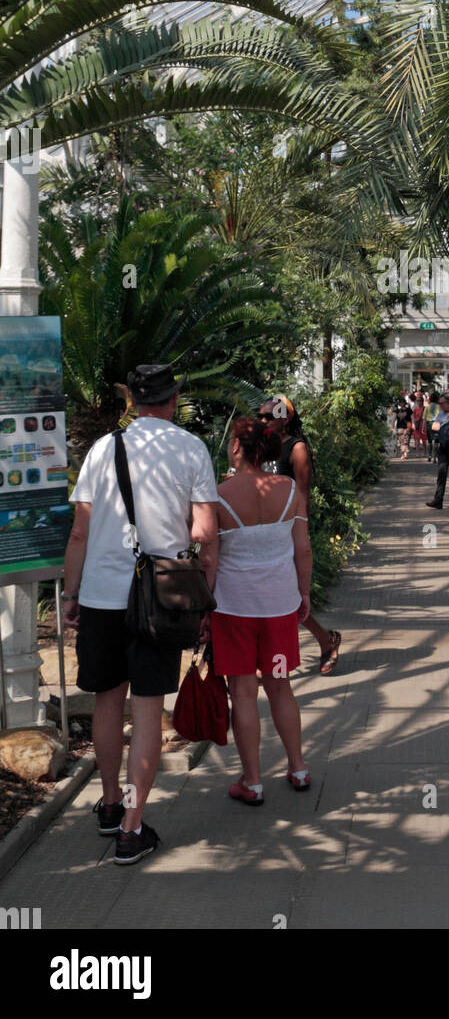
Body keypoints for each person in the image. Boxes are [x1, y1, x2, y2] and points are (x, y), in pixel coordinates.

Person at [62, 364, 219, 865]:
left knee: (109, 702)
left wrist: (70, 594)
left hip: (102, 597)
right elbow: (205, 535)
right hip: (162, 599)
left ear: (132, 402)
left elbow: (80, 532)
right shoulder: (191, 449)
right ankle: (132, 826)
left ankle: (109, 805)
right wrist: (205, 601)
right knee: (148, 709)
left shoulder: (102, 449)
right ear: (173, 399)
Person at [212, 416, 312, 803]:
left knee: (243, 690)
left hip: (233, 606)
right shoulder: (288, 490)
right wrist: (304, 594)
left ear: (237, 446)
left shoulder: (218, 495)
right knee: (280, 686)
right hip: (280, 604)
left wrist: (205, 606)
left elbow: (209, 556)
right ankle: (298, 767)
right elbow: (302, 549)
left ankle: (252, 781)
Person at [259, 397, 341, 675]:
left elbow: (302, 494)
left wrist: (301, 537)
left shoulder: (297, 448)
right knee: (275, 596)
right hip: (262, 529)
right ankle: (323, 640)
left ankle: (323, 641)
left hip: (287, 530)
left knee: (290, 597)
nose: (263, 421)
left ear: (286, 418)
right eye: (260, 416)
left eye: (269, 417)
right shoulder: (261, 445)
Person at [424, 390, 441, 463]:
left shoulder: (427, 407)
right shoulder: (439, 407)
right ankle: (435, 457)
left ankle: (429, 455)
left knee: (430, 441)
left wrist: (423, 427)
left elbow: (424, 418)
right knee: (437, 441)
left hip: (429, 424)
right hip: (437, 424)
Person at [393, 391, 412, 459]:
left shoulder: (407, 410)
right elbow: (394, 418)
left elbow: (394, 418)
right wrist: (392, 425)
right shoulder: (404, 410)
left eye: (402, 402)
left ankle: (404, 454)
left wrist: (392, 425)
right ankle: (404, 453)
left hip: (405, 426)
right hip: (402, 427)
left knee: (404, 440)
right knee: (402, 440)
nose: (402, 404)